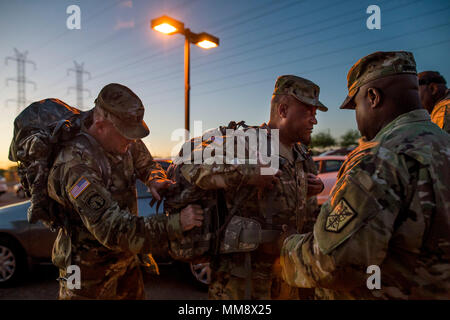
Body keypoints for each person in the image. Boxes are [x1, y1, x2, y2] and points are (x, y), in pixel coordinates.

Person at [280, 51, 450, 299]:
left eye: (355, 106)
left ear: (372, 97)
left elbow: (332, 263)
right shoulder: (443, 143)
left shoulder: (381, 160)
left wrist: (283, 247)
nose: (357, 120)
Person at [47, 83, 204, 299]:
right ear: (100, 125)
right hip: (86, 274)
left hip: (126, 261)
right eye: (126, 134)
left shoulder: (124, 139)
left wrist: (155, 179)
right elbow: (114, 230)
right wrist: (178, 223)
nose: (132, 141)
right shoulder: (75, 166)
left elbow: (147, 164)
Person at [180, 75, 326, 300]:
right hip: (242, 280)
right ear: (284, 110)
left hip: (288, 274)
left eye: (315, 115)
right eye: (308, 113)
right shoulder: (245, 141)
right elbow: (189, 163)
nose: (314, 121)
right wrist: (248, 172)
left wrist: (310, 189)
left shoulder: (302, 154)